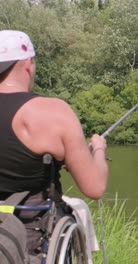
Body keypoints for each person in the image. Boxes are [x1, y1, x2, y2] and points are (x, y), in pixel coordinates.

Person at [0, 30, 108, 258]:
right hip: (31, 235)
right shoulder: (51, 112)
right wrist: (98, 149)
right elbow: (94, 187)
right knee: (80, 207)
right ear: (28, 63)